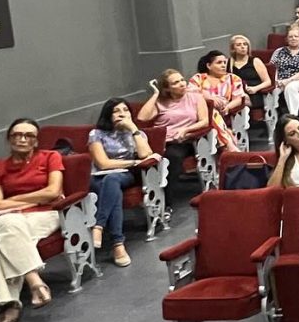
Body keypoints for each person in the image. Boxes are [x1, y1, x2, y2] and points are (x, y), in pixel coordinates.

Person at [0, 119, 64, 322]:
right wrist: (37, 197)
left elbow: (53, 192)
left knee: (4, 238)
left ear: (35, 141)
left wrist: (14, 201)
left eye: (28, 136)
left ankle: (10, 304)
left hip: (45, 214)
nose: (22, 139)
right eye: (16, 135)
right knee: (9, 225)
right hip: (10, 217)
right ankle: (35, 282)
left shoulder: (51, 157)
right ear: (9, 139)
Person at [88, 99, 157, 268]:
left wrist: (133, 129)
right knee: (112, 187)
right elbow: (103, 163)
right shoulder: (96, 134)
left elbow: (145, 154)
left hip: (124, 176)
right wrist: (132, 163)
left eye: (126, 110)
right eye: (116, 111)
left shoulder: (136, 133)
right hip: (98, 177)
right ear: (108, 115)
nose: (122, 114)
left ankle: (99, 226)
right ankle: (118, 245)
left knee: (113, 180)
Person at [138, 69, 209, 191]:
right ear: (167, 89)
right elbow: (142, 117)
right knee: (144, 157)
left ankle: (166, 199)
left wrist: (186, 130)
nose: (182, 84)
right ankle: (150, 190)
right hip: (160, 142)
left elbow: (204, 121)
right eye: (176, 82)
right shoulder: (161, 103)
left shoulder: (196, 98)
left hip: (182, 141)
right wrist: (155, 94)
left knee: (172, 156)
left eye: (182, 80)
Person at [189, 50, 247, 151]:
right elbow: (190, 94)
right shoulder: (198, 78)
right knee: (210, 112)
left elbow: (238, 99)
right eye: (219, 63)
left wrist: (228, 106)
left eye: (225, 62)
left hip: (224, 112)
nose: (223, 65)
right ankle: (229, 143)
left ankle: (226, 142)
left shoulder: (233, 78)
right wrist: (209, 98)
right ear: (209, 65)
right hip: (199, 113)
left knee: (213, 113)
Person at [269, 28, 299, 116]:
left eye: (296, 36)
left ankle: (293, 116)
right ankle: (274, 118)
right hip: (280, 81)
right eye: (290, 37)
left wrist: (288, 80)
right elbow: (272, 67)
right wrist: (276, 81)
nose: (293, 38)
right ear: (286, 39)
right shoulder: (279, 51)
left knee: (291, 87)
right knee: (273, 91)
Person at [229, 35, 273, 111]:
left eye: (245, 44)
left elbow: (268, 82)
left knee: (241, 98)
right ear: (233, 49)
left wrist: (255, 88)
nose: (242, 47)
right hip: (236, 93)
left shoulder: (255, 61)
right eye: (239, 45)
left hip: (255, 94)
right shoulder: (229, 63)